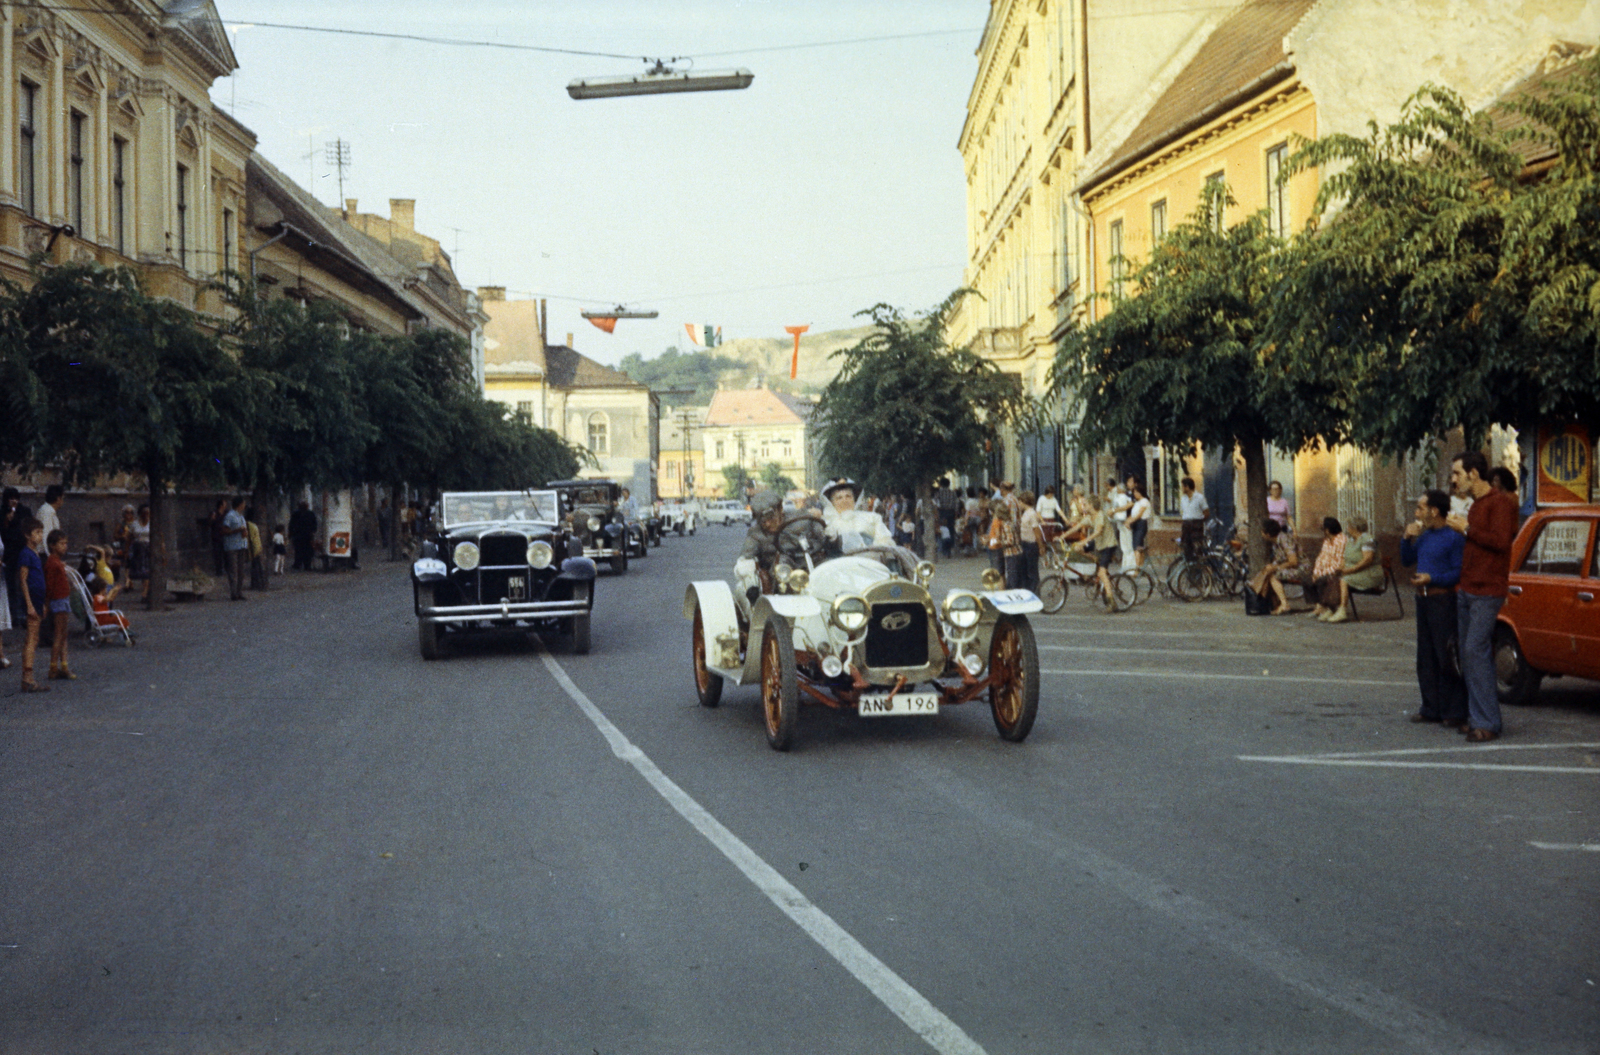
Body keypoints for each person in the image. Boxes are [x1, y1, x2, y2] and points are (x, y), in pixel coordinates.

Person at [1448, 452, 1517, 743]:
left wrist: (1467, 529)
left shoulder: (1499, 502)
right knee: (1470, 654)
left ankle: (1487, 721)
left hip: (1487, 591)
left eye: (1457, 474)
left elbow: (1501, 542)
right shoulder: (1476, 506)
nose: (1453, 480)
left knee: (1475, 651)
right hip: (1469, 588)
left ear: (1474, 474)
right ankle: (1478, 716)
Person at [1402, 490, 1467, 728]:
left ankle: (1453, 710)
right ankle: (1431, 708)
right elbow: (1407, 559)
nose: (1416, 512)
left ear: (1434, 510)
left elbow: (1458, 572)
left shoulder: (1454, 537)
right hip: (1423, 600)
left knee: (1446, 655)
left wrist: (1433, 578)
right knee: (1425, 656)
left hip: (1442, 600)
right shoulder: (1425, 535)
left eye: (1420, 508)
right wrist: (1406, 538)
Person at [734, 489, 825, 600]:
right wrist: (749, 576)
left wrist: (822, 519)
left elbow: (824, 536)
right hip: (780, 576)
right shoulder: (756, 534)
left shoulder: (803, 519)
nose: (767, 524)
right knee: (781, 565)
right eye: (762, 521)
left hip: (812, 562)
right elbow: (745, 559)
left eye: (771, 517)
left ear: (780, 509)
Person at [1327, 515, 1383, 623]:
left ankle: (1342, 610)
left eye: (1349, 526)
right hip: (1355, 572)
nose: (1347, 528)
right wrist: (1339, 568)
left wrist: (1349, 570)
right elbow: (1345, 558)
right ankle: (1332, 608)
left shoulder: (1368, 539)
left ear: (1354, 527)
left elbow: (1367, 560)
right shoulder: (1351, 540)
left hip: (1370, 574)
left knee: (1344, 580)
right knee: (1331, 578)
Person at [15, 518, 47, 692]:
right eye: (36, 533)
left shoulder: (35, 553)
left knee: (34, 639)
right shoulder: (26, 554)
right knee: (31, 638)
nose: (40, 536)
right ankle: (27, 677)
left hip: (37, 601)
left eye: (41, 532)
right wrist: (29, 605)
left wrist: (41, 603)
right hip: (32, 602)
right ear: (27, 535)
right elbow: (23, 580)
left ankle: (29, 676)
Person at [821, 478, 893, 554]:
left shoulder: (872, 518)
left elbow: (884, 541)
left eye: (848, 496)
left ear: (854, 499)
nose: (844, 500)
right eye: (839, 498)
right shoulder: (827, 524)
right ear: (832, 503)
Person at [1248, 519, 1302, 614]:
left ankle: (1285, 604)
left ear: (1268, 534)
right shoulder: (1276, 542)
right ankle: (1274, 603)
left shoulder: (1285, 540)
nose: (1261, 534)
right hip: (1289, 567)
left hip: (1301, 568)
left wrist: (1276, 567)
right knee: (1268, 572)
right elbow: (1280, 559)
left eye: (1263, 532)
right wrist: (1272, 566)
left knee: (1274, 576)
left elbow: (1293, 561)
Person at [44, 528, 74, 681]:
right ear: (52, 545)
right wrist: (47, 603)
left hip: (62, 599)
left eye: (66, 543)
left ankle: (63, 665)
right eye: (62, 543)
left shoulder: (56, 562)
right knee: (59, 634)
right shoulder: (52, 563)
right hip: (58, 600)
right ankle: (53, 668)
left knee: (63, 634)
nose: (65, 546)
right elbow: (49, 585)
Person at [1307, 517, 1347, 620]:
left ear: (1328, 530)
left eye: (1323, 529)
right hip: (1323, 570)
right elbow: (1320, 558)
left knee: (1321, 580)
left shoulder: (1341, 540)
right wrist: (1316, 572)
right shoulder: (1326, 541)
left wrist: (1322, 574)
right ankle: (1319, 606)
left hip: (1334, 571)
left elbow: (1339, 562)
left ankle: (1327, 607)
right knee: (1307, 580)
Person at [987, 502, 1023, 589]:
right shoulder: (1007, 523)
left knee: (1012, 577)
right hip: (1010, 553)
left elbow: (1010, 541)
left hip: (1012, 553)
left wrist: (999, 542)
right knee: (1012, 576)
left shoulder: (1007, 525)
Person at [1017, 490, 1046, 594]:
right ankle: (1027, 590)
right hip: (1024, 543)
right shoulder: (1025, 513)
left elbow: (1036, 531)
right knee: (1024, 569)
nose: (1019, 504)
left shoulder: (1032, 514)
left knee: (1032, 570)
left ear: (1024, 501)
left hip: (1031, 544)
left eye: (1020, 502)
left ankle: (1035, 591)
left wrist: (1041, 546)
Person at [1179, 476, 1209, 562]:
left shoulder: (1199, 497)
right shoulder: (1183, 498)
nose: (1182, 488)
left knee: (1197, 546)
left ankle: (1198, 568)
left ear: (1187, 487)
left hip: (1196, 524)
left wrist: (1199, 521)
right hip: (1186, 524)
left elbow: (1206, 512)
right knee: (1187, 547)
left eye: (1183, 486)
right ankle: (1189, 569)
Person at [1125, 479, 1151, 568]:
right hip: (1136, 525)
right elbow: (1133, 514)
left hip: (1141, 524)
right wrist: (1128, 521)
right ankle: (1141, 566)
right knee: (1139, 547)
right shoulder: (1137, 502)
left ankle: (1137, 568)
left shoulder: (1144, 501)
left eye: (1136, 492)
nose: (1135, 494)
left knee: (1137, 546)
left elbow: (1139, 515)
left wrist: (1130, 521)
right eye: (1134, 492)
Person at [128, 504, 152, 602]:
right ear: (140, 514)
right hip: (138, 550)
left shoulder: (152, 523)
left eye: (148, 513)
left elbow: (160, 537)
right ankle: (146, 591)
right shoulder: (135, 524)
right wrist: (126, 551)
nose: (146, 515)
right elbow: (129, 538)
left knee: (148, 570)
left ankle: (145, 593)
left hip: (150, 549)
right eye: (144, 513)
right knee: (143, 572)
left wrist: (162, 551)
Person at [289, 500, 317, 571]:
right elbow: (314, 524)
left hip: (299, 535)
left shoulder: (296, 514)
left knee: (299, 550)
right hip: (306, 535)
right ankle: (306, 565)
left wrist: (291, 532)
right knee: (307, 550)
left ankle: (299, 564)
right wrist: (313, 531)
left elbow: (291, 524)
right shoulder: (310, 514)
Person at [247, 507, 267, 590]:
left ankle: (259, 584)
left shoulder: (250, 525)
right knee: (259, 567)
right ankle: (261, 584)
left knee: (257, 567)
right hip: (256, 549)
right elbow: (253, 539)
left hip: (256, 548)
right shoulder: (252, 526)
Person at [209, 497, 228, 576]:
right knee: (218, 555)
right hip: (216, 537)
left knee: (226, 555)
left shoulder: (226, 513)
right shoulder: (214, 513)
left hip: (225, 536)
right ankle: (219, 571)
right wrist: (212, 519)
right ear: (221, 505)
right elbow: (210, 523)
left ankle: (226, 570)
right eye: (224, 504)